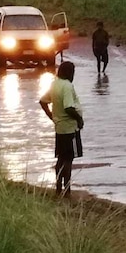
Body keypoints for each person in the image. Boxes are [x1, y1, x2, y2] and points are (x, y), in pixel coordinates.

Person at [39, 61, 84, 196]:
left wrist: (52, 116)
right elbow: (69, 107)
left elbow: (43, 101)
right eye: (73, 72)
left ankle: (58, 187)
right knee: (69, 158)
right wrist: (79, 119)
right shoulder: (67, 86)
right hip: (70, 128)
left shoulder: (55, 84)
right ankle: (67, 189)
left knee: (61, 157)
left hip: (59, 128)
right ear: (69, 72)